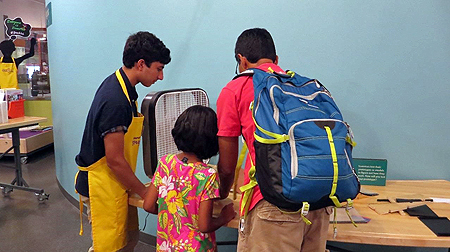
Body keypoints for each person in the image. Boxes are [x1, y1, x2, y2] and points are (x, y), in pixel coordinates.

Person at [216, 28, 332, 252]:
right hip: (319, 202)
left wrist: (219, 195)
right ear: (276, 60)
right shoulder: (303, 86)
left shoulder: (235, 89)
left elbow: (227, 167)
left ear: (241, 60)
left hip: (272, 202)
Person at [74, 31, 171, 252]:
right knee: (110, 247)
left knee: (129, 239)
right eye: (159, 68)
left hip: (116, 182)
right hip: (101, 185)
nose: (161, 76)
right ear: (140, 64)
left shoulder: (125, 89)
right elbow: (115, 160)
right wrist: (145, 192)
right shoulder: (115, 100)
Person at [143, 105, 236, 252]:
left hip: (167, 246)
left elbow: (148, 205)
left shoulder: (165, 162)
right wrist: (223, 218)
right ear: (212, 139)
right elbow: (204, 226)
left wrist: (174, 216)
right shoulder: (207, 175)